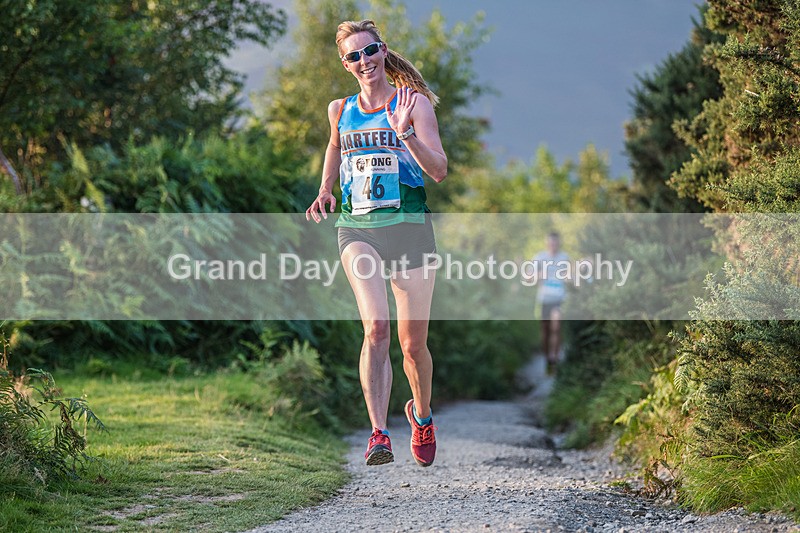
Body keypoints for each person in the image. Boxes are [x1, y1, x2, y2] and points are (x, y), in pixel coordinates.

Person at [305, 20, 447, 467]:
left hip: (409, 228)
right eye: (354, 56)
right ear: (345, 64)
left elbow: (439, 170)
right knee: (376, 328)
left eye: (369, 51)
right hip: (358, 228)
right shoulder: (339, 109)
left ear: (383, 51)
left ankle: (421, 415)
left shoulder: (413, 103)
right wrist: (326, 188)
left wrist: (405, 133)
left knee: (412, 346)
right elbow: (334, 146)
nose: (363, 61)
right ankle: (379, 434)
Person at [533, 231, 569, 374]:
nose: (553, 244)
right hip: (544, 299)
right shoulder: (540, 258)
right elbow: (529, 277)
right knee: (545, 333)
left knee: (556, 326)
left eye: (555, 242)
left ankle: (554, 357)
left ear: (558, 243)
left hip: (559, 299)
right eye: (551, 242)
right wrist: (539, 275)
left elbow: (571, 276)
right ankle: (548, 358)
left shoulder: (564, 258)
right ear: (547, 243)